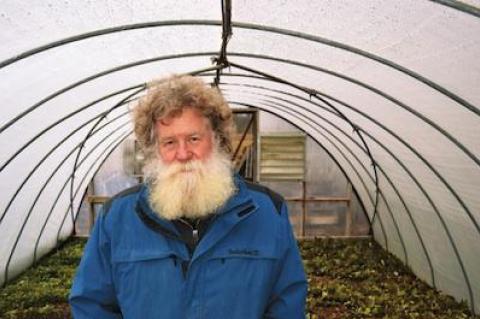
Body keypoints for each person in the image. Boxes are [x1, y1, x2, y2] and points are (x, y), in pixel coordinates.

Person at [69, 75, 307, 318]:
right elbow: (93, 304)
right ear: (154, 149)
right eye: (170, 142)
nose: (183, 154)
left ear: (217, 139)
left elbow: (286, 304)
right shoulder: (117, 218)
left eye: (194, 139)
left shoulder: (267, 212)